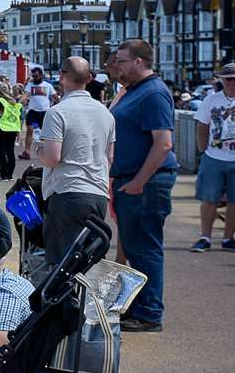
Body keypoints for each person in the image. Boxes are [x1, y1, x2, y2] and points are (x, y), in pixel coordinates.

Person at [108, 38, 177, 331]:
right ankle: (139, 307)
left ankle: (149, 314)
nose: (117, 66)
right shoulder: (135, 91)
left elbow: (163, 144)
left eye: (122, 61)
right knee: (136, 248)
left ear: (138, 61)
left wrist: (139, 181)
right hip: (131, 179)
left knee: (145, 248)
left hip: (146, 183)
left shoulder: (154, 94)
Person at [34, 56, 115, 280]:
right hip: (98, 194)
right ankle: (87, 310)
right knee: (90, 262)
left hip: (67, 192)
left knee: (63, 266)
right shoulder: (106, 114)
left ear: (62, 76)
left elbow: (52, 158)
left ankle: (66, 313)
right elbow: (110, 158)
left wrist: (36, 149)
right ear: (89, 78)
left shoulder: (57, 112)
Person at [192, 62, 235, 253]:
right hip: (214, 156)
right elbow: (202, 126)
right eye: (229, 79)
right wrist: (203, 151)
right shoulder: (211, 100)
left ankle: (229, 238)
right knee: (209, 198)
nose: (232, 83)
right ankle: (205, 237)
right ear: (222, 80)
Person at [22, 68, 53, 158]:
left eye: (36, 76)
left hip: (45, 111)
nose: (34, 78)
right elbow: (25, 95)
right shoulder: (30, 85)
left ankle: (49, 152)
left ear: (41, 75)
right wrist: (18, 102)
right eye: (33, 76)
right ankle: (27, 152)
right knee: (29, 130)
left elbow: (54, 96)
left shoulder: (48, 86)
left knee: (46, 133)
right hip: (33, 111)